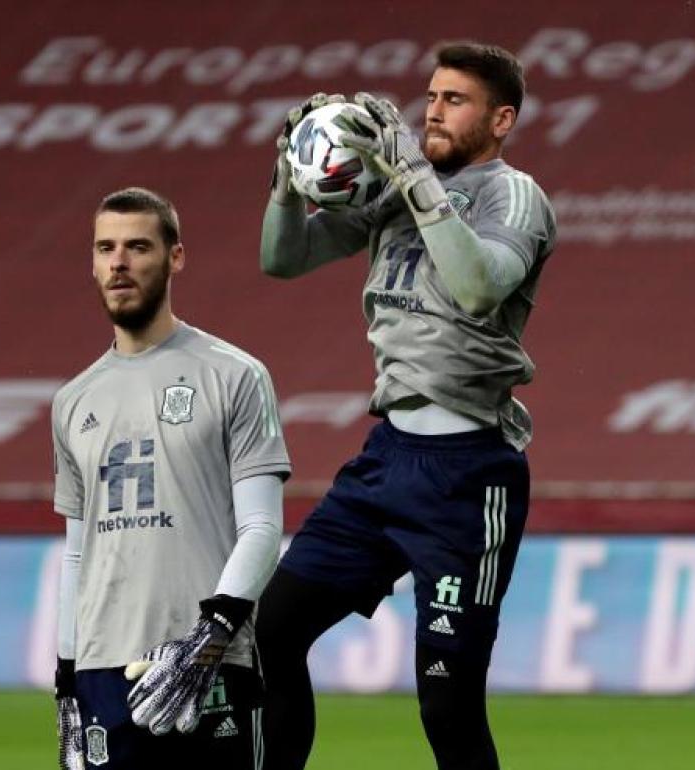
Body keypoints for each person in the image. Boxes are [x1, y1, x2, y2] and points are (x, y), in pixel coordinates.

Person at [256, 42, 556, 770]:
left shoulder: (512, 196)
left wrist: (415, 175)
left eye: (455, 100)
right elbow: (281, 258)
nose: (434, 110)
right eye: (431, 96)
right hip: (387, 459)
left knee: (447, 703)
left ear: (502, 119)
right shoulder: (395, 192)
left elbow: (480, 287)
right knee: (268, 635)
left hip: (467, 474)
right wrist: (289, 176)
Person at [51, 187, 290, 769]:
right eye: (105, 248)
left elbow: (261, 528)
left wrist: (208, 637)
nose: (119, 263)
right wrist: (65, 677)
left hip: (209, 661)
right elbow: (78, 554)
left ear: (175, 257)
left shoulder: (234, 375)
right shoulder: (71, 400)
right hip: (104, 671)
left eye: (137, 246)